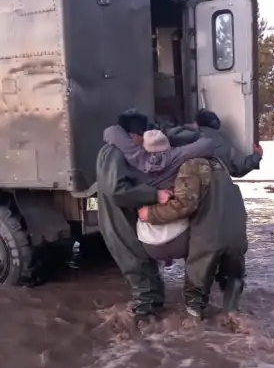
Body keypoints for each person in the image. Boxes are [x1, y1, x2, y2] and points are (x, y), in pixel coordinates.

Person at [97, 110, 212, 318]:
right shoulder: (113, 153)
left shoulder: (120, 149)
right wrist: (155, 195)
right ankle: (144, 323)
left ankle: (152, 319)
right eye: (143, 137)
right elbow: (116, 191)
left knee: (144, 266)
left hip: (126, 214)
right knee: (137, 266)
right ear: (134, 135)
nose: (145, 144)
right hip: (119, 219)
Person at [138, 155, 248, 319]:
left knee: (196, 286)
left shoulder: (192, 164)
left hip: (210, 235)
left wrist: (150, 213)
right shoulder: (219, 163)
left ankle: (195, 331)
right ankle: (234, 318)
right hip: (237, 233)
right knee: (233, 277)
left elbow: (184, 205)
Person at [196, 109, 263, 177]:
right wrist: (257, 155)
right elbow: (240, 167)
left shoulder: (187, 138)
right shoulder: (220, 140)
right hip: (216, 186)